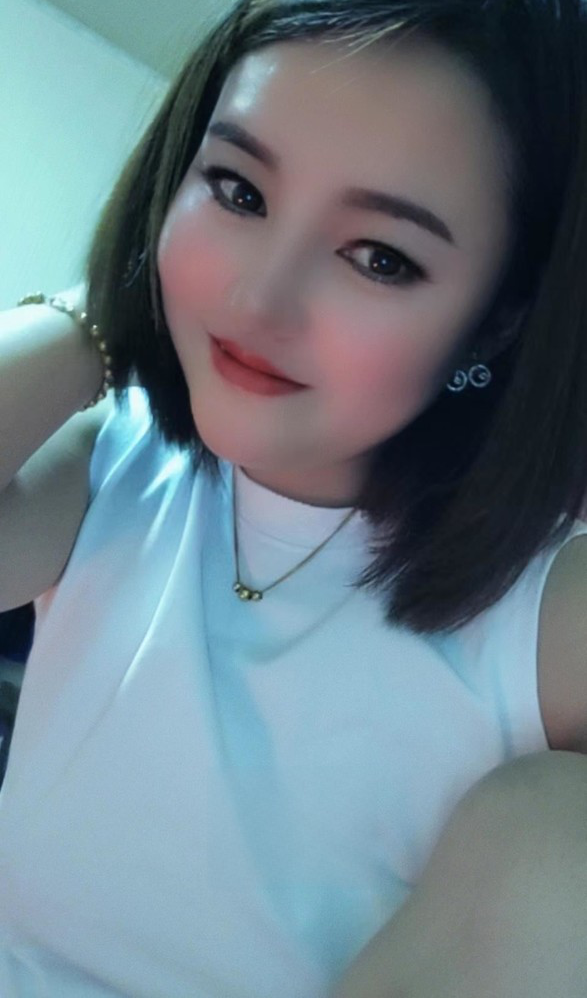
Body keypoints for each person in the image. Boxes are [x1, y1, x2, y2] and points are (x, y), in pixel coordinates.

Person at [1, 0, 587, 995]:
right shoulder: (118, 466)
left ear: (495, 323)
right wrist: (105, 311)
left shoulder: (544, 615)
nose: (257, 300)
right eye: (236, 190)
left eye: (379, 257)